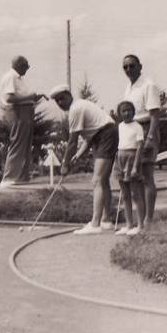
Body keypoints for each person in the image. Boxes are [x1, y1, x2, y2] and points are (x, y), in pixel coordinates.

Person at [49, 85, 117, 235]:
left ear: (69, 95)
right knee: (103, 180)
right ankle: (106, 221)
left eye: (62, 98)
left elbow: (72, 141)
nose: (60, 102)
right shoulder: (79, 105)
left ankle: (95, 224)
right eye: (57, 100)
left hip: (106, 135)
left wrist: (65, 164)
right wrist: (77, 156)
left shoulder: (76, 109)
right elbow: (89, 138)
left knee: (97, 180)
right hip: (104, 135)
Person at [120, 55, 162, 228]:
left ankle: (149, 219)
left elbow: (154, 115)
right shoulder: (129, 87)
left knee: (147, 177)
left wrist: (150, 138)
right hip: (132, 131)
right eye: (125, 67)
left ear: (140, 66)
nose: (129, 70)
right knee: (135, 178)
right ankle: (139, 221)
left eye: (132, 66)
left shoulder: (148, 85)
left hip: (146, 130)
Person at [0, 56, 43, 188]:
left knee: (25, 144)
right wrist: (30, 96)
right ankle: (9, 178)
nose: (26, 70)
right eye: (25, 67)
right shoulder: (10, 77)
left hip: (25, 111)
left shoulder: (19, 78)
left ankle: (21, 177)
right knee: (18, 142)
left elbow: (21, 96)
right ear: (19, 66)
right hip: (17, 112)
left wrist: (33, 98)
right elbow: (9, 97)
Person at [114, 100, 145, 237]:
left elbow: (139, 147)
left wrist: (135, 166)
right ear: (119, 114)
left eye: (129, 110)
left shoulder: (137, 126)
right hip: (120, 156)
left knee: (135, 194)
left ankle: (140, 225)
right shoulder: (120, 126)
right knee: (125, 195)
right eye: (123, 111)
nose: (126, 113)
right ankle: (129, 224)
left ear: (133, 112)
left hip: (132, 157)